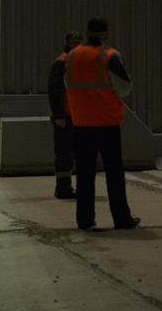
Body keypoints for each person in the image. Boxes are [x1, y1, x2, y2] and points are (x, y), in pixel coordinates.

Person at [65, 17, 139, 230]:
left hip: (81, 123)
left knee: (85, 175)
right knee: (114, 173)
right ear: (106, 33)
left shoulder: (71, 56)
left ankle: (85, 220)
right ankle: (121, 219)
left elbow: (67, 83)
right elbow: (124, 87)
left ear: (87, 32)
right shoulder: (110, 56)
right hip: (107, 123)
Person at [48, 30, 83, 199]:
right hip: (66, 116)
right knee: (64, 153)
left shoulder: (76, 62)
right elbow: (55, 92)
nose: (76, 45)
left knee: (73, 153)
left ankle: (67, 186)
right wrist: (59, 115)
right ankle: (63, 188)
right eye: (74, 42)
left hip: (77, 115)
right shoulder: (62, 63)